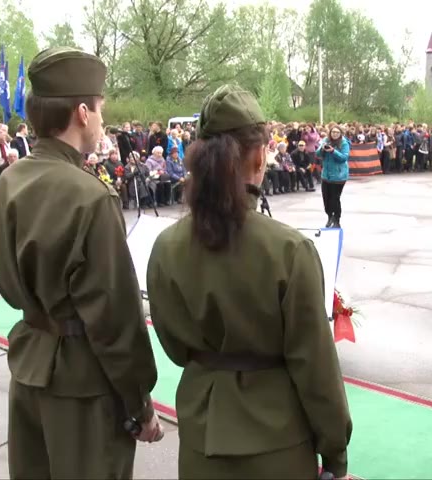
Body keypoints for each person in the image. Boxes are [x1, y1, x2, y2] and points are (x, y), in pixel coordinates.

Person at [146, 84, 352, 480]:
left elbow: (174, 346)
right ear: (259, 156)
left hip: (201, 435)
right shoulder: (289, 250)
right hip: (277, 443)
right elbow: (316, 368)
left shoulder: (167, 246)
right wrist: (335, 454)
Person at [0, 47, 162, 479]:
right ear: (82, 113)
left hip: (29, 368)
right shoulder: (90, 196)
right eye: (100, 109)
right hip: (84, 386)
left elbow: (3, 270)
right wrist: (139, 403)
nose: (101, 120)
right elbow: (115, 318)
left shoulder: (9, 182)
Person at [317, 125, 350, 229]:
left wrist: (333, 151)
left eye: (337, 132)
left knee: (334, 199)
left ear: (340, 133)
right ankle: (329, 216)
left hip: (339, 176)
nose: (335, 134)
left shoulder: (344, 143)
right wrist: (322, 149)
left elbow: (344, 158)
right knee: (326, 198)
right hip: (326, 175)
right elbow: (317, 154)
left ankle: (337, 219)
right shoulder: (325, 140)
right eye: (333, 132)